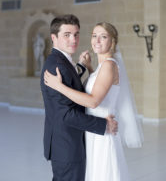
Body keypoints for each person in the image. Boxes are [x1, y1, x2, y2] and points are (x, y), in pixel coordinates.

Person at [44, 22, 144, 181]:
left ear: (112, 42)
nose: (97, 40)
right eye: (94, 36)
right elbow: (100, 87)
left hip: (102, 133)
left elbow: (93, 101)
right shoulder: (101, 67)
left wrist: (59, 86)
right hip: (92, 131)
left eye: (103, 37)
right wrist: (89, 68)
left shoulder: (109, 65)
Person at [40, 15, 118, 181]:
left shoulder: (63, 61)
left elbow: (72, 85)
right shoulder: (56, 65)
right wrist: (103, 125)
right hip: (66, 145)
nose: (73, 39)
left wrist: (83, 67)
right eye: (67, 35)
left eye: (76, 34)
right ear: (54, 38)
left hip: (71, 141)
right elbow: (65, 114)